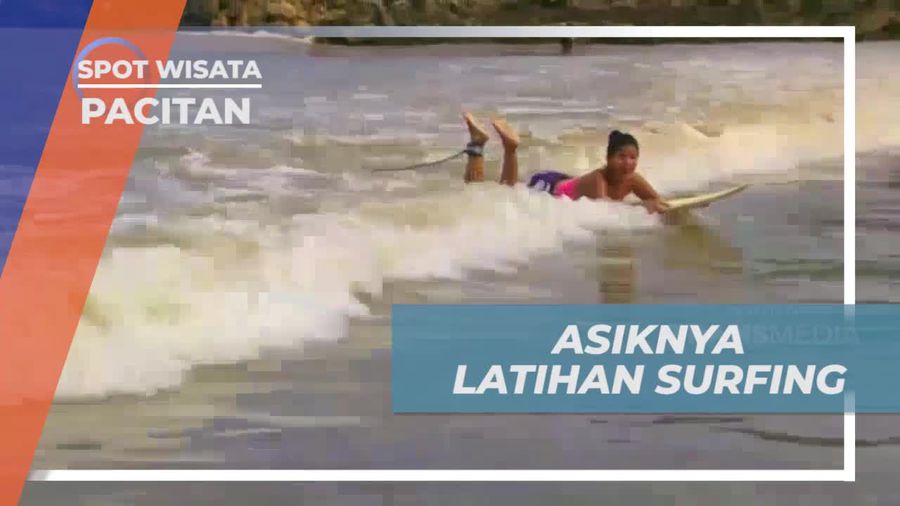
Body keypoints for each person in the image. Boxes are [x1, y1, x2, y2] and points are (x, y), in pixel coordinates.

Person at [460, 112, 670, 214]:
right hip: (548, 186)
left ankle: (478, 143)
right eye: (621, 157)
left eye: (632, 157)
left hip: (564, 182)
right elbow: (605, 211)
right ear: (608, 159)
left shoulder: (633, 180)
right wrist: (645, 206)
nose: (627, 163)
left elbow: (657, 200)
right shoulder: (599, 178)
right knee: (504, 193)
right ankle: (509, 148)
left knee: (496, 190)